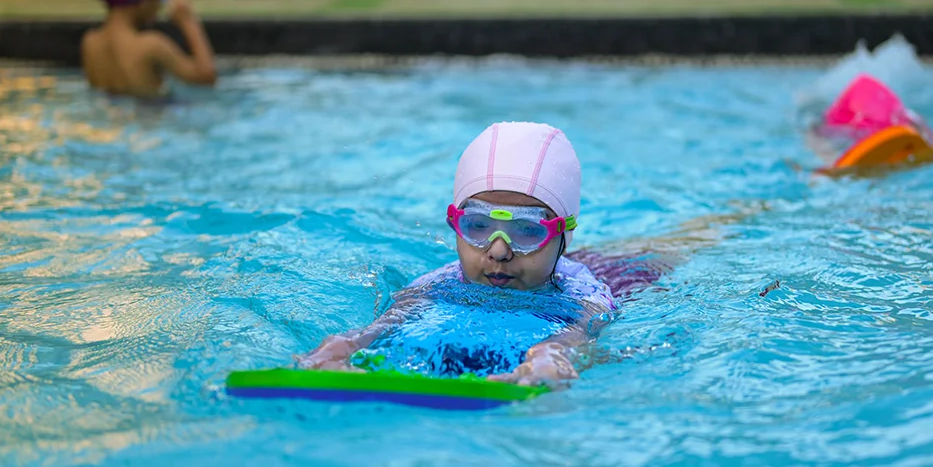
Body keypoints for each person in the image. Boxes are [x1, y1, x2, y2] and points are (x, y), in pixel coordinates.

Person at [299, 122, 747, 388]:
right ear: (455, 225)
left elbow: (581, 329)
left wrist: (553, 356)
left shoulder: (585, 292)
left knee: (684, 244)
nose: (498, 251)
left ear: (562, 236)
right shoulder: (436, 285)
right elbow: (387, 323)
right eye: (477, 226)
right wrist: (344, 346)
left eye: (527, 231)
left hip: (619, 272)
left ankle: (736, 215)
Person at [81, 0, 218, 98]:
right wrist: (187, 20)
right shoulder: (151, 45)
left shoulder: (90, 42)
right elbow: (206, 77)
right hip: (151, 117)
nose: (160, 5)